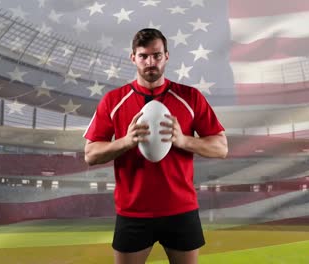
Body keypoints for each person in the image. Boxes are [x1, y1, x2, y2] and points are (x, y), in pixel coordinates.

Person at [83, 28, 228, 264]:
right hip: (133, 211)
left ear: (167, 56)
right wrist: (126, 142)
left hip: (181, 209)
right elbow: (90, 154)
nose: (151, 62)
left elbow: (221, 148)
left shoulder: (190, 97)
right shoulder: (113, 100)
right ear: (133, 58)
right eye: (143, 56)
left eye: (157, 55)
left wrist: (183, 140)